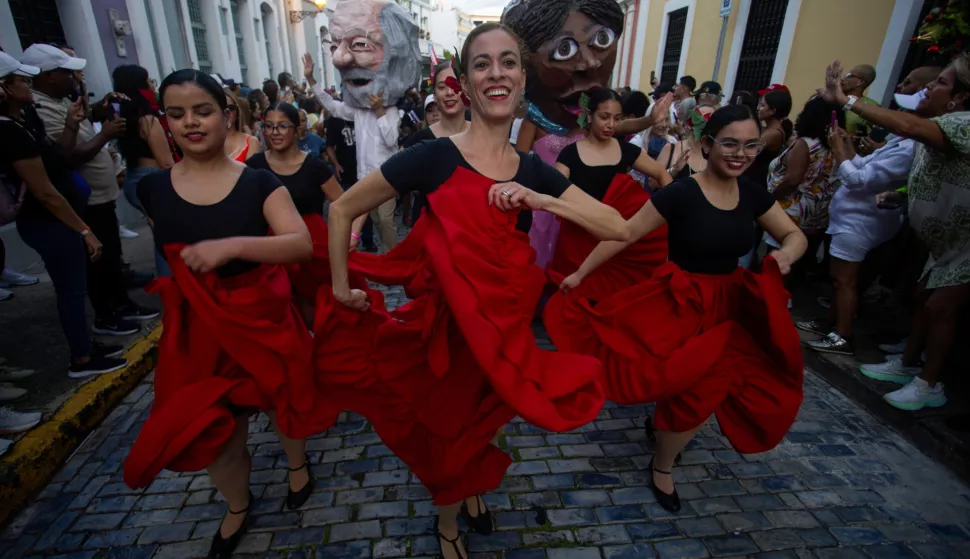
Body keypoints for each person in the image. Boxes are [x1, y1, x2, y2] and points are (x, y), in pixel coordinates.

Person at [323, 23, 631, 559]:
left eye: (508, 62)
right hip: (449, 334)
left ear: (522, 78)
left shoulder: (534, 169)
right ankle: (448, 521)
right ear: (465, 82)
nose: (496, 73)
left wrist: (544, 199)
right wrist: (340, 284)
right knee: (448, 433)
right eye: (482, 64)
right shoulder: (435, 157)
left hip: (506, 330)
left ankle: (469, 492)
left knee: (485, 422)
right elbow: (343, 206)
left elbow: (618, 227)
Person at [550, 105, 807, 512]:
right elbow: (626, 234)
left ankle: (663, 464)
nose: (740, 154)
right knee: (669, 377)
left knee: (700, 390)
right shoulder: (681, 192)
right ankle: (662, 432)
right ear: (707, 145)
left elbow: (793, 234)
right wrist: (581, 273)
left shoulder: (753, 194)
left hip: (728, 308)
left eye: (750, 145)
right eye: (730, 144)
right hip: (679, 302)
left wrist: (787, 254)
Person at [121, 70, 326, 559]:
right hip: (198, 329)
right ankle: (237, 504)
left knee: (281, 399)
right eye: (176, 114)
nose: (190, 122)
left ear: (226, 115)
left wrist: (232, 246)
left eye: (203, 111)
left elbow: (299, 244)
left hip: (260, 314)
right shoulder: (151, 189)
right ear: (164, 122)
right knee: (214, 425)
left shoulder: (259, 182)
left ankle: (297, 464)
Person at [819, 56, 970, 410]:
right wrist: (901, 198)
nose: (928, 89)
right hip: (940, 243)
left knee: (940, 308)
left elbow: (906, 131)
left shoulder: (963, 125)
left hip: (964, 245)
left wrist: (846, 100)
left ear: (960, 98)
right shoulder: (935, 129)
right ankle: (907, 364)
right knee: (922, 299)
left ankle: (929, 383)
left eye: (941, 83)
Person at [502, 0, 672, 269]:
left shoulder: (586, 121)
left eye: (601, 40)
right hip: (545, 207)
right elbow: (521, 164)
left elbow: (616, 128)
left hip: (579, 207)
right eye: (565, 50)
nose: (589, 62)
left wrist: (649, 120)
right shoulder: (534, 121)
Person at [0, 51, 128, 378]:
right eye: (20, 80)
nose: (28, 84)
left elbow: (59, 156)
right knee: (71, 292)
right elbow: (44, 191)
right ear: (4, 89)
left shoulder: (24, 120)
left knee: (76, 288)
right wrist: (84, 230)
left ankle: (85, 345)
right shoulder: (9, 132)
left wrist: (72, 123)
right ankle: (82, 359)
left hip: (56, 219)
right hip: (49, 222)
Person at [21, 46, 159, 335]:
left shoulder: (62, 100)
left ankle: (122, 303)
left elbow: (82, 125)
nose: (74, 76)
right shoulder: (41, 109)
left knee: (112, 256)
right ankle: (107, 316)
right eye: (66, 72)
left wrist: (100, 107)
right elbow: (66, 156)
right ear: (49, 77)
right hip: (87, 200)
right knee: (99, 263)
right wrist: (105, 134)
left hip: (103, 195)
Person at [306, 0, 422, 253]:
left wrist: (380, 111)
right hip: (363, 176)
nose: (342, 57)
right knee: (367, 218)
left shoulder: (391, 111)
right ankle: (361, 248)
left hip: (387, 177)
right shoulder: (357, 111)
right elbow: (334, 106)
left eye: (359, 44)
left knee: (385, 221)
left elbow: (391, 140)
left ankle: (390, 256)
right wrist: (312, 80)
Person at [795, 117, 910, 355]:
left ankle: (843, 335)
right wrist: (846, 147)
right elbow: (862, 165)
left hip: (858, 223)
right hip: (853, 220)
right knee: (842, 280)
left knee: (844, 280)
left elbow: (857, 180)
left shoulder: (909, 148)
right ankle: (829, 322)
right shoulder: (898, 141)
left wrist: (838, 149)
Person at [247, 101, 362, 324]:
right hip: (270, 247)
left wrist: (352, 236)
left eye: (282, 126)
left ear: (296, 129)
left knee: (315, 305)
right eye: (269, 126)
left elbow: (347, 205)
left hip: (312, 246)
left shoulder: (314, 166)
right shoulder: (254, 165)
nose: (274, 132)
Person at [765, 95, 844, 278]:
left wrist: (772, 197)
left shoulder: (805, 144)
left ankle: (774, 297)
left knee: (779, 260)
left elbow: (793, 179)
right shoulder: (835, 145)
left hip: (791, 209)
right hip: (818, 210)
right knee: (800, 259)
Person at [112, 64, 177, 277]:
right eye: (149, 80)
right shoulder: (148, 119)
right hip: (152, 179)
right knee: (167, 239)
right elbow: (166, 162)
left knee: (162, 236)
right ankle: (171, 286)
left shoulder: (123, 117)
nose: (152, 85)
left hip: (135, 177)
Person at [555, 88, 672, 199]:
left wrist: (674, 208)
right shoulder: (570, 154)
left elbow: (661, 173)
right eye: (604, 117)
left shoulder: (625, 149)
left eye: (617, 119)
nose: (611, 125)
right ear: (589, 115)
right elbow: (557, 193)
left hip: (621, 219)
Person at [402, 61, 472, 224]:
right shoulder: (421, 139)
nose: (449, 92)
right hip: (431, 229)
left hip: (472, 231)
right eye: (442, 87)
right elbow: (387, 178)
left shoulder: (483, 135)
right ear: (434, 93)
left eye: (455, 85)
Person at [744, 84, 793, 189]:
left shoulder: (773, 133)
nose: (758, 108)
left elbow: (749, 151)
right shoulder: (769, 129)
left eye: (762, 105)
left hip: (755, 182)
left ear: (772, 111)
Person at [839, 64, 878, 135]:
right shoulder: (835, 98)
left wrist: (847, 136)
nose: (843, 79)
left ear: (860, 82)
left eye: (848, 75)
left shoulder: (870, 105)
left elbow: (867, 137)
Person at [224, 88, 260, 162]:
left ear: (237, 111)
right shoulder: (206, 144)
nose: (227, 113)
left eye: (231, 108)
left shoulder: (251, 142)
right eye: (221, 108)